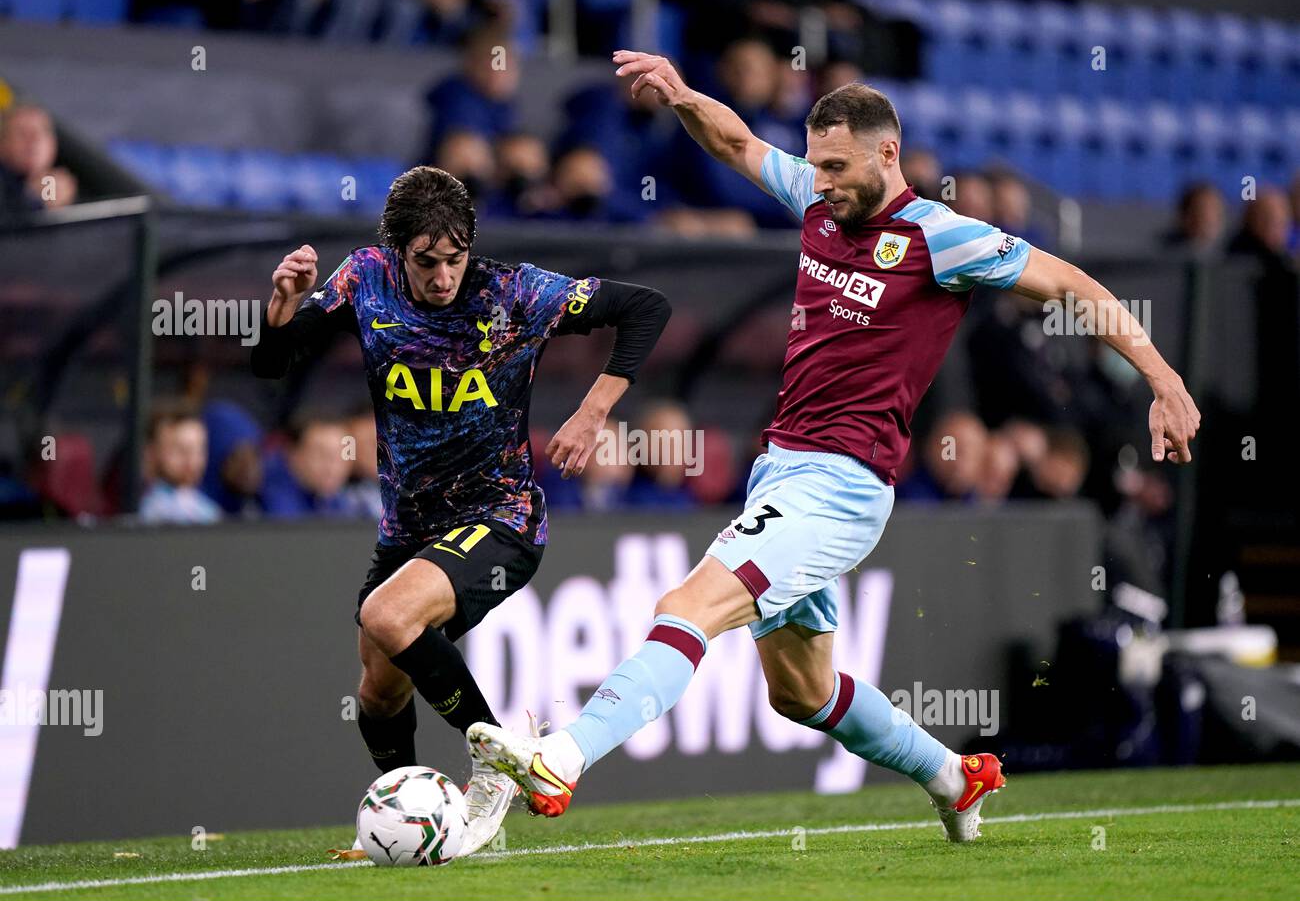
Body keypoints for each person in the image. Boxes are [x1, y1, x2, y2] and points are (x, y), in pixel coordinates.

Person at [469, 54, 1201, 843]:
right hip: (782, 473)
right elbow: (736, 143)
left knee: (688, 606)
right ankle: (955, 778)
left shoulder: (941, 238)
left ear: (888, 155)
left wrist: (1164, 382)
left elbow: (1072, 288)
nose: (819, 181)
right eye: (814, 163)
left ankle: (563, 756)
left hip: (843, 483)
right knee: (800, 690)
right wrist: (682, 95)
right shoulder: (819, 201)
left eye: (837, 166)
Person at [252, 165, 670, 856]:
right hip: (407, 529)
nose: (443, 276)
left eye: (454, 258)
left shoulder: (514, 292)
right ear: (396, 251)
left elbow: (646, 307)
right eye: (426, 261)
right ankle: (412, 821)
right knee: (379, 690)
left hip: (500, 516)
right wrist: (281, 306)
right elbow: (272, 365)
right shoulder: (365, 278)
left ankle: (496, 759)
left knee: (386, 615)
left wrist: (594, 412)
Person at [139, 405, 222, 525]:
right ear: (151, 453)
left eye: (198, 450)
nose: (192, 460)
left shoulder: (207, 508)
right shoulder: (148, 510)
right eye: (180, 450)